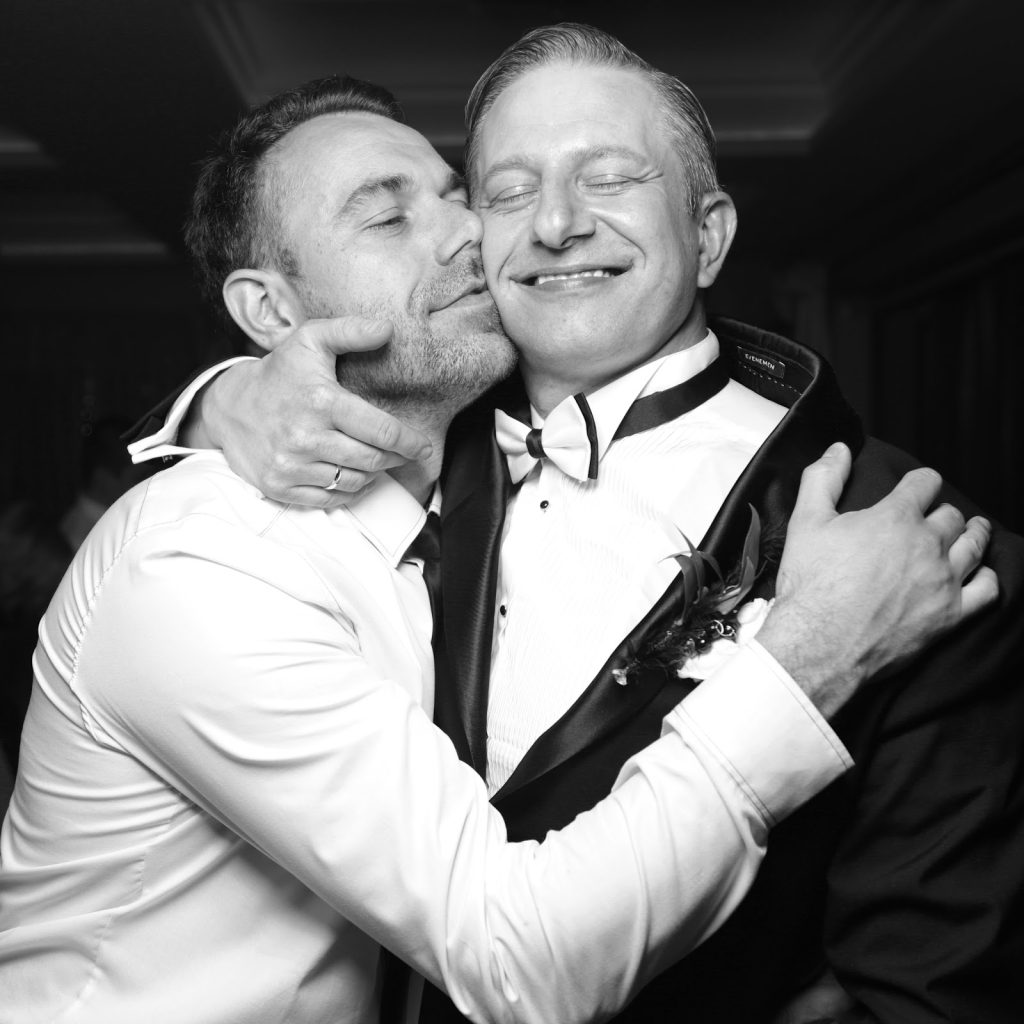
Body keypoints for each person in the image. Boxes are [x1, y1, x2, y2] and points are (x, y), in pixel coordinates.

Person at [124, 26, 1024, 1022]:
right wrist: (222, 399)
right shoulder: (408, 441)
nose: (554, 224)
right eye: (508, 192)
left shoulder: (901, 541)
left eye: (609, 179)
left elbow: (930, 992)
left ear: (710, 235)